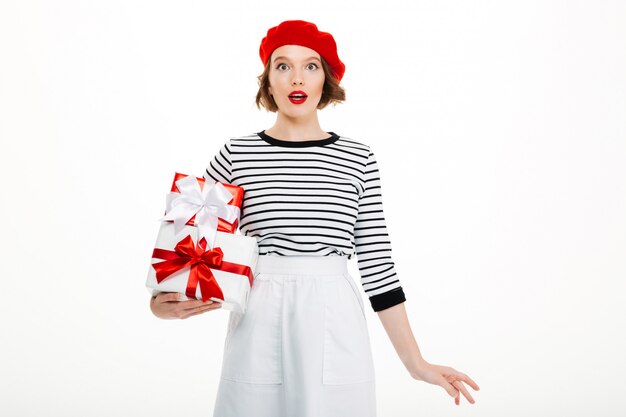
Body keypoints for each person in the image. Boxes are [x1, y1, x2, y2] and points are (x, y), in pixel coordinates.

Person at [150, 19, 480, 416]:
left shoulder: (358, 159)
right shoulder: (236, 154)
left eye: (311, 66)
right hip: (259, 313)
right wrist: (159, 300)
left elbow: (377, 264)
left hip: (333, 314)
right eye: (283, 66)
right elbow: (188, 241)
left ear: (326, 80)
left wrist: (416, 364)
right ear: (268, 82)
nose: (297, 78)